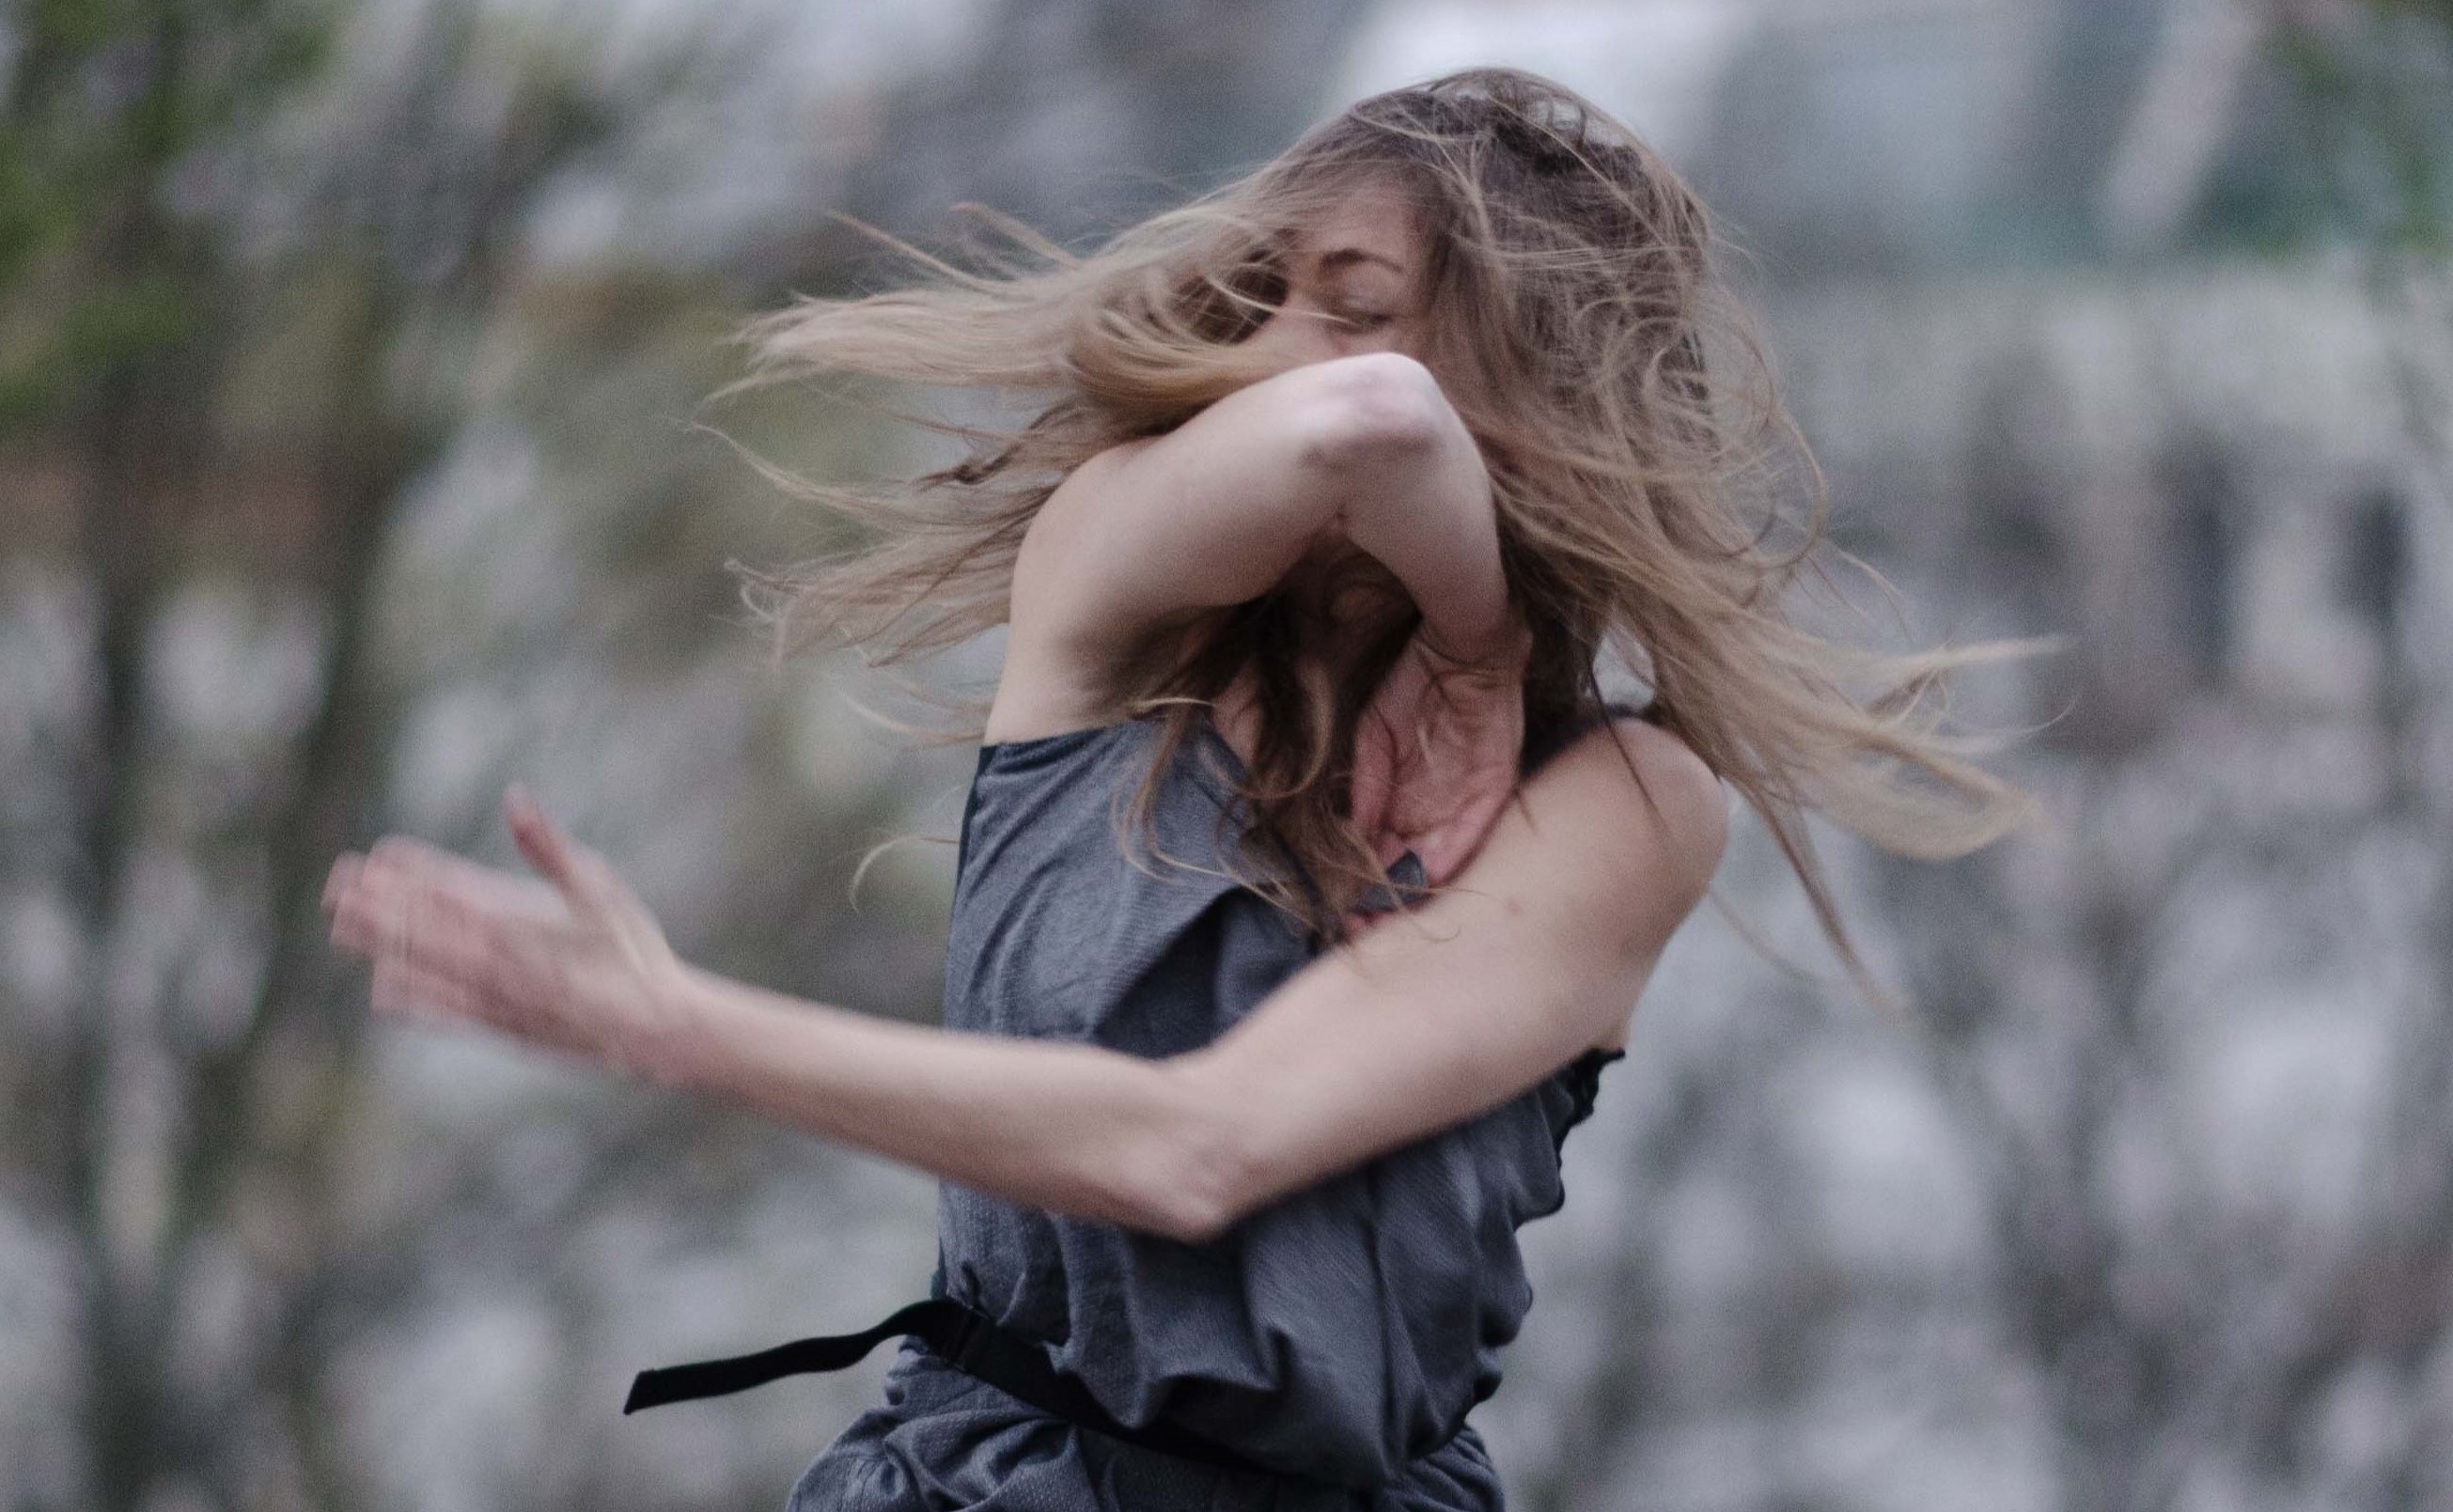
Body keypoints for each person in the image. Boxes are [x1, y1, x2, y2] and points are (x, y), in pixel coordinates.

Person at [320, 67, 2036, 1512]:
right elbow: (1367, 423)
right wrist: (1475, 634)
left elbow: (1203, 1147)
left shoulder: (1632, 803)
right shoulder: (1117, 604)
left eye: (1347, 298)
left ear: (1536, 394)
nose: (1274, 346)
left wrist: (690, 1026)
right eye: (1266, 291)